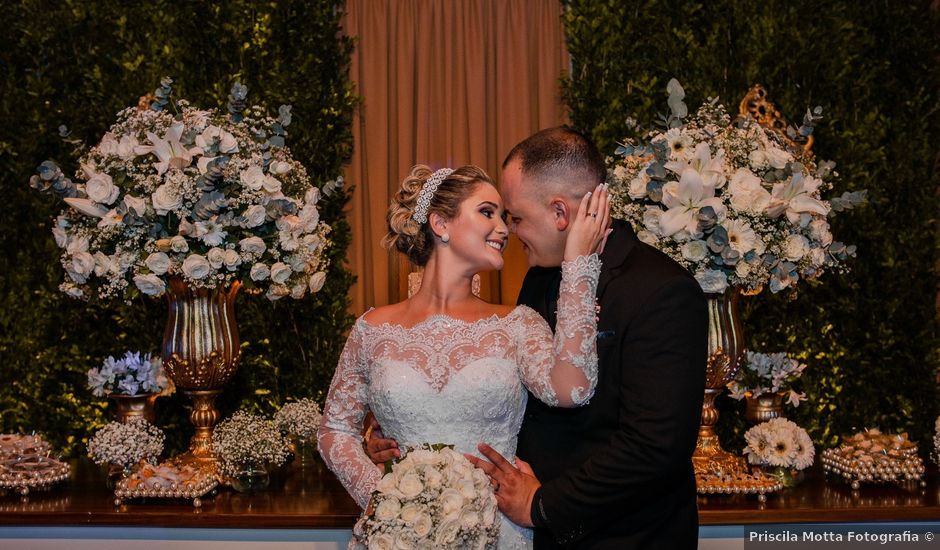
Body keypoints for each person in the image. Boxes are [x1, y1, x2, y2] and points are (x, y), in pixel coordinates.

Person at [369, 128, 708, 549]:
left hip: (622, 537)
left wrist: (543, 504)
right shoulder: (539, 280)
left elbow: (654, 448)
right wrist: (398, 429)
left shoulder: (660, 290)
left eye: (515, 216)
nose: (509, 231)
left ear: (560, 213)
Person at [317, 163, 612, 549]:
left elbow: (571, 391)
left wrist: (578, 266)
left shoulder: (519, 324)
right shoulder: (373, 329)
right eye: (487, 212)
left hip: (495, 531)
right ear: (440, 224)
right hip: (398, 536)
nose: (505, 229)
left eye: (505, 217)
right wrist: (387, 498)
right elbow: (335, 430)